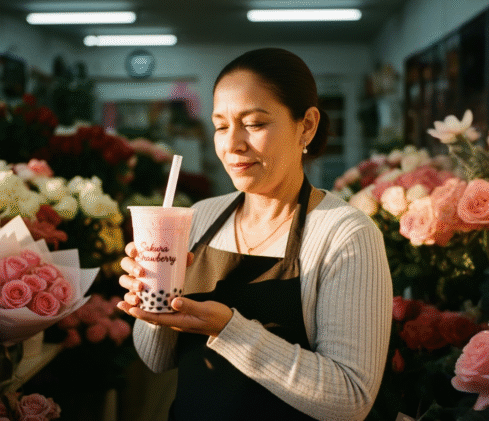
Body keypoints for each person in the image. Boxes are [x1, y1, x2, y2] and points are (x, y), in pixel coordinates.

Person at [117, 48, 392, 421]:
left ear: (306, 126)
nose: (232, 145)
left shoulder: (345, 234)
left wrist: (229, 329)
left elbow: (350, 398)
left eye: (255, 123)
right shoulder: (199, 217)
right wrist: (151, 304)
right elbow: (158, 361)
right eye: (221, 125)